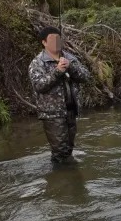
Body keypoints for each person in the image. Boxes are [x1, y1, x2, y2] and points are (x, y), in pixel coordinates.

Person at [28, 26, 90, 164]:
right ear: (44, 42)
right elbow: (39, 86)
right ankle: (60, 180)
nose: (56, 42)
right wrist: (57, 72)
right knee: (60, 151)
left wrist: (71, 67)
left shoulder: (70, 58)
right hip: (52, 114)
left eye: (58, 39)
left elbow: (86, 76)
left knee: (68, 148)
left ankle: (68, 179)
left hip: (71, 110)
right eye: (53, 39)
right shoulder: (37, 63)